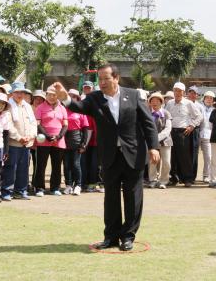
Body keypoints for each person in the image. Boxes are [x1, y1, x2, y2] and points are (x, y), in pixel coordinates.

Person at [53, 63, 160, 252]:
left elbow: (148, 124)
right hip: (110, 155)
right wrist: (65, 99)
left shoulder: (134, 95)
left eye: (105, 79)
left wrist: (153, 147)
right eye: (99, 79)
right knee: (110, 197)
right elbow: (78, 106)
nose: (102, 83)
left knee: (132, 196)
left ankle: (128, 236)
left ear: (116, 78)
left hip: (133, 154)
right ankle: (110, 237)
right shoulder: (94, 98)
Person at [2, 82, 37, 201]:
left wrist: (30, 136)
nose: (20, 94)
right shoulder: (8, 105)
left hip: (26, 143)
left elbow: (33, 123)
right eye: (17, 92)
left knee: (24, 168)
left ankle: (21, 191)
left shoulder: (27, 106)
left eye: (22, 92)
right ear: (12, 93)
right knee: (10, 167)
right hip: (13, 142)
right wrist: (19, 137)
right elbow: (8, 124)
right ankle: (7, 190)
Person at [164, 82, 203, 187]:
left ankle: (187, 179)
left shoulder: (189, 103)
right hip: (171, 132)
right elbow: (165, 116)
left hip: (183, 132)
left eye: (179, 91)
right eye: (175, 90)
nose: (177, 93)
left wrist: (192, 126)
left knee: (185, 157)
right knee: (172, 156)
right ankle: (173, 178)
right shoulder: (170, 103)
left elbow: (199, 116)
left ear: (183, 92)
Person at [33, 86, 68, 196]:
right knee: (41, 165)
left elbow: (65, 125)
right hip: (44, 140)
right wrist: (47, 135)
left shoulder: (62, 108)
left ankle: (55, 187)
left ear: (58, 95)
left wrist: (59, 136)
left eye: (54, 94)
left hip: (59, 140)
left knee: (57, 165)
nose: (52, 97)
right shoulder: (40, 107)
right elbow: (38, 124)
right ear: (46, 95)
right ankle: (39, 188)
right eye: (49, 94)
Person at [63, 89, 90, 196]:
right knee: (66, 165)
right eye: (69, 96)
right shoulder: (63, 109)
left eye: (74, 96)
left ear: (77, 98)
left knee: (75, 164)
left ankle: (78, 185)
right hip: (64, 138)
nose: (71, 98)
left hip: (76, 139)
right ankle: (68, 185)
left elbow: (86, 128)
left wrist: (84, 143)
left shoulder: (80, 111)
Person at [147, 92, 172, 189]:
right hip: (152, 143)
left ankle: (164, 180)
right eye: (152, 100)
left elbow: (168, 129)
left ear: (161, 102)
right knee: (153, 162)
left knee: (166, 162)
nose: (154, 102)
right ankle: (152, 180)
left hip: (165, 141)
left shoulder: (166, 113)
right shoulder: (147, 113)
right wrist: (151, 139)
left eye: (157, 100)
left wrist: (157, 137)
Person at [199, 91, 215, 183]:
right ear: (204, 98)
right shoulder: (199, 107)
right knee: (192, 157)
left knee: (208, 156)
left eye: (211, 98)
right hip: (197, 134)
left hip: (209, 135)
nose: (209, 100)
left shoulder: (215, 110)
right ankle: (190, 175)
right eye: (207, 97)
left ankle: (206, 175)